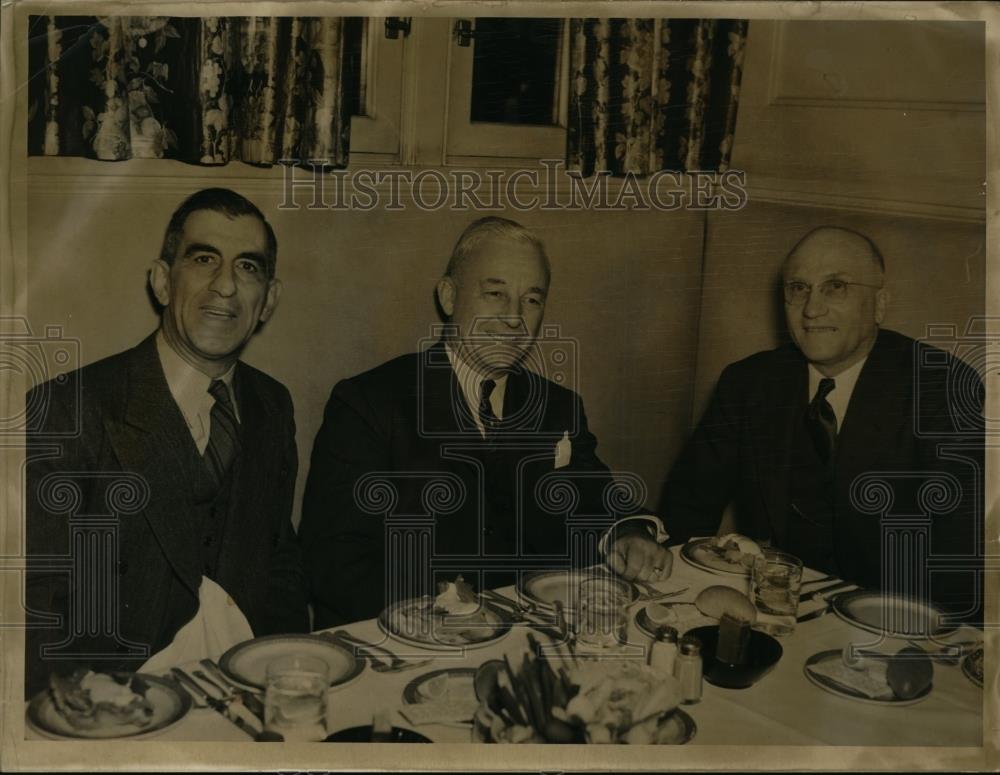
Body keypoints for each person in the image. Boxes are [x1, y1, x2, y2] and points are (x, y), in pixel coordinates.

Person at [299, 217, 671, 627]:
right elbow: (333, 563)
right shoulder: (369, 403)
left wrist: (629, 530)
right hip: (411, 643)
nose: (514, 317)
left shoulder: (557, 406)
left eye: (531, 300)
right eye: (495, 293)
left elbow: (596, 497)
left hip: (534, 636)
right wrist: (449, 620)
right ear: (448, 296)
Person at [25, 188, 309, 696]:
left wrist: (292, 670)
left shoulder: (271, 404)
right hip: (118, 700)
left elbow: (279, 560)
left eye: (248, 268)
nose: (225, 286)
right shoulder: (66, 409)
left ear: (268, 300)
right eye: (203, 260)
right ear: (161, 281)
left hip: (251, 688)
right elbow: (31, 603)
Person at [657, 226, 983, 616]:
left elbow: (960, 562)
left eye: (836, 287)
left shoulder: (940, 388)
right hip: (769, 609)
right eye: (798, 288)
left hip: (886, 626)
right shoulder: (749, 382)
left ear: (880, 304)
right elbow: (688, 508)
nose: (811, 309)